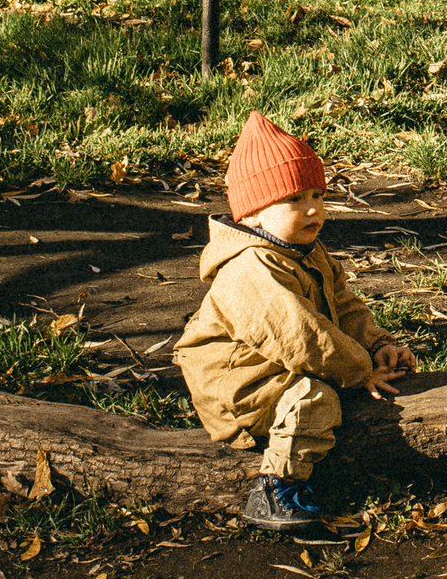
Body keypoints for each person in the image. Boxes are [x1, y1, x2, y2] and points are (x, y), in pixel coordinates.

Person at [175, 112, 418, 534]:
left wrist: (376, 343)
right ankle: (276, 487)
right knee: (314, 399)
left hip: (275, 359)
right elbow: (301, 336)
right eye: (293, 199)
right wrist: (361, 371)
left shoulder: (303, 248)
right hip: (237, 381)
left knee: (329, 387)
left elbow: (342, 304)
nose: (313, 209)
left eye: (317, 195)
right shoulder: (250, 267)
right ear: (253, 214)